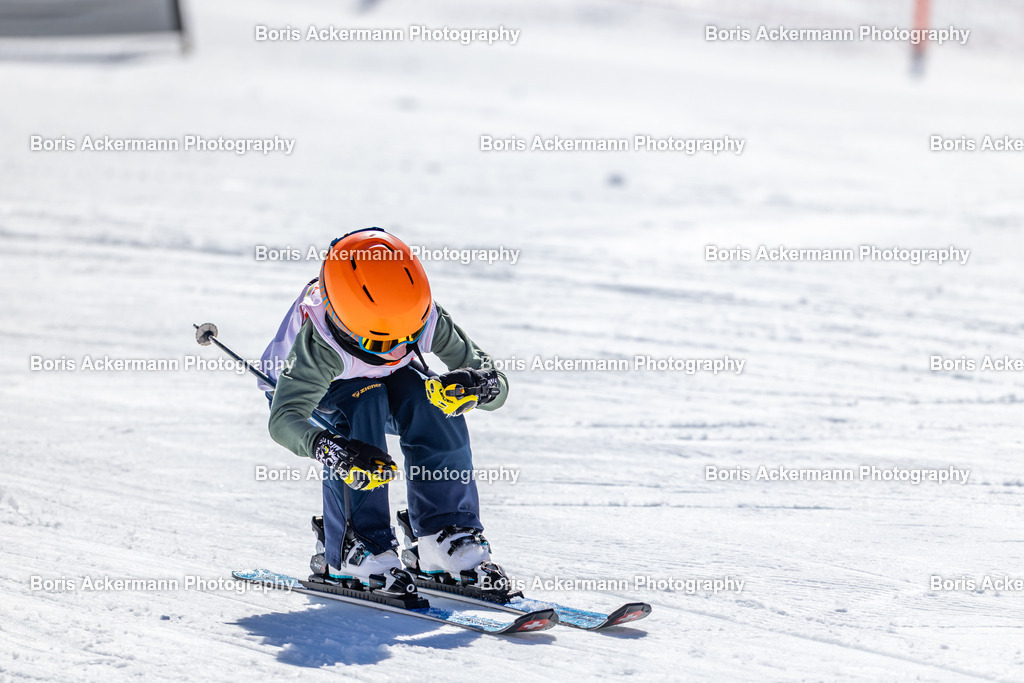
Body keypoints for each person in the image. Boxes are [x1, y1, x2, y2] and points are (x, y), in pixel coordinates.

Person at [258, 228, 508, 595]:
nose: (393, 348)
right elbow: (284, 419)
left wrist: (478, 386)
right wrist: (328, 447)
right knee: (364, 401)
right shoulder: (320, 343)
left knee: (432, 400)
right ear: (343, 320)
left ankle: (444, 532)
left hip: (382, 380)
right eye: (378, 340)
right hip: (310, 394)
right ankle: (355, 543)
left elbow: (496, 382)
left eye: (407, 336)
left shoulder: (419, 313)